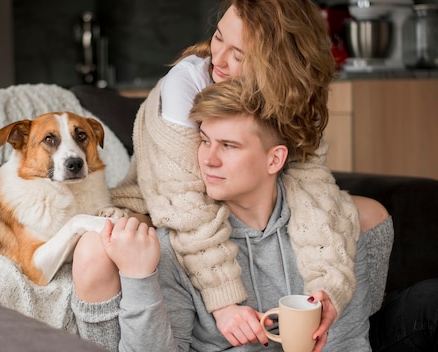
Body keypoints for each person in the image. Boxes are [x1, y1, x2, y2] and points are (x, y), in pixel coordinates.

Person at [76, 0, 393, 344]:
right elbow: (186, 205)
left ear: (278, 65)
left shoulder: (293, 93)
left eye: (239, 55)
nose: (219, 60)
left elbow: (311, 182)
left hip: (246, 193)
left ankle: (345, 331)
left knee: (366, 213)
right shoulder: (185, 87)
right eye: (217, 38)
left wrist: (330, 288)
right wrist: (224, 302)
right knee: (95, 250)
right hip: (162, 201)